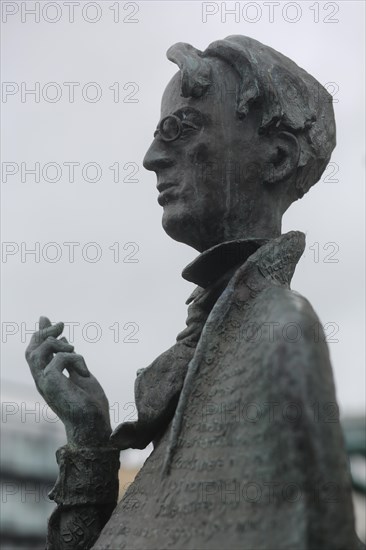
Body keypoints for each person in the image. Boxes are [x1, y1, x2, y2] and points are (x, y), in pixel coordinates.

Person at [26, 36, 359, 549]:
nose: (151, 158)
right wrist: (89, 438)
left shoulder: (275, 331)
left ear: (276, 157)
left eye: (179, 130)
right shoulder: (214, 346)